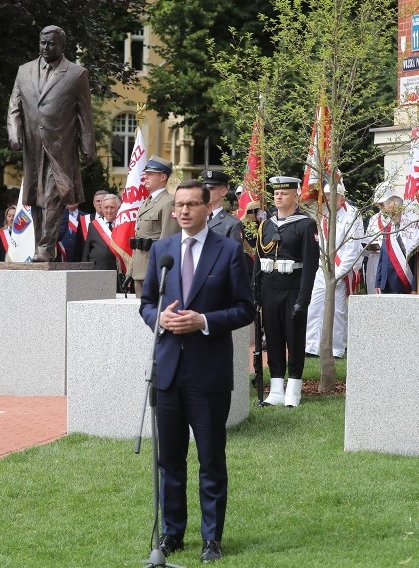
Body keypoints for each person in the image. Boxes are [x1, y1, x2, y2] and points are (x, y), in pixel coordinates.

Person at [139, 179, 253, 564]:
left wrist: (203, 320)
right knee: (169, 460)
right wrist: (162, 319)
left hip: (208, 375)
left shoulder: (230, 252)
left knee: (210, 460)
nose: (184, 211)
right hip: (168, 371)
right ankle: (171, 534)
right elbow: (146, 305)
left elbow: (244, 308)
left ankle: (211, 539)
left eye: (192, 204)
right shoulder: (162, 251)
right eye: (180, 205)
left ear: (208, 207)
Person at [7, 24, 95, 262]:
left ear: (62, 45)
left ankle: (46, 247)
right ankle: (40, 246)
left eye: (51, 43)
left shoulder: (76, 74)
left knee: (54, 194)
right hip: (32, 146)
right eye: (42, 42)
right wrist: (14, 133)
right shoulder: (24, 71)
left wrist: (88, 145)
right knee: (34, 196)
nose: (46, 47)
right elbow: (15, 106)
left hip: (61, 146)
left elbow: (84, 113)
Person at [257, 177, 319, 408]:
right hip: (270, 288)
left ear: (295, 195)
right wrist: (257, 293)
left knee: (294, 338)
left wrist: (304, 298)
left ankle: (293, 389)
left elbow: (311, 265)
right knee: (272, 338)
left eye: (284, 193)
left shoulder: (305, 224)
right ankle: (275, 390)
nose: (278, 196)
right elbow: (259, 260)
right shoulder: (267, 224)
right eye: (275, 193)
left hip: (293, 289)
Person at [305, 181, 364, 359]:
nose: (329, 199)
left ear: (342, 197)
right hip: (322, 268)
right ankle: (312, 346)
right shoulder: (323, 215)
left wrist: (339, 275)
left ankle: (337, 349)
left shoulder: (351, 216)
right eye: (327, 195)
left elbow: (352, 250)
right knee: (315, 305)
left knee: (338, 310)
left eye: (333, 195)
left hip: (340, 270)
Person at [125, 156, 180, 295]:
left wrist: (162, 271)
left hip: (154, 270)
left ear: (162, 177)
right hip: (139, 270)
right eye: (145, 173)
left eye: (150, 174)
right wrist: (130, 271)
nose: (145, 177)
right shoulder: (145, 203)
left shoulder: (169, 203)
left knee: (156, 313)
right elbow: (138, 240)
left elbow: (168, 240)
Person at [374, 195, 419, 294]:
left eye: (393, 212)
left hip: (403, 283)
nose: (390, 216)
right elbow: (382, 256)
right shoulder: (388, 229)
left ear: (401, 210)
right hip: (385, 284)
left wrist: (415, 288)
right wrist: (378, 282)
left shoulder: (412, 230)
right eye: (388, 212)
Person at [82, 193, 125, 290]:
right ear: (102, 208)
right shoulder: (94, 225)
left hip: (118, 273)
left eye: (112, 207)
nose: (109, 211)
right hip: (98, 270)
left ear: (118, 208)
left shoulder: (123, 225)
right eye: (106, 207)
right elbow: (86, 251)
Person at [202, 169, 242, 245]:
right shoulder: (196, 218)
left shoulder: (232, 224)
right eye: (205, 188)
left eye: (211, 188)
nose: (206, 192)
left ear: (223, 191)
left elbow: (235, 255)